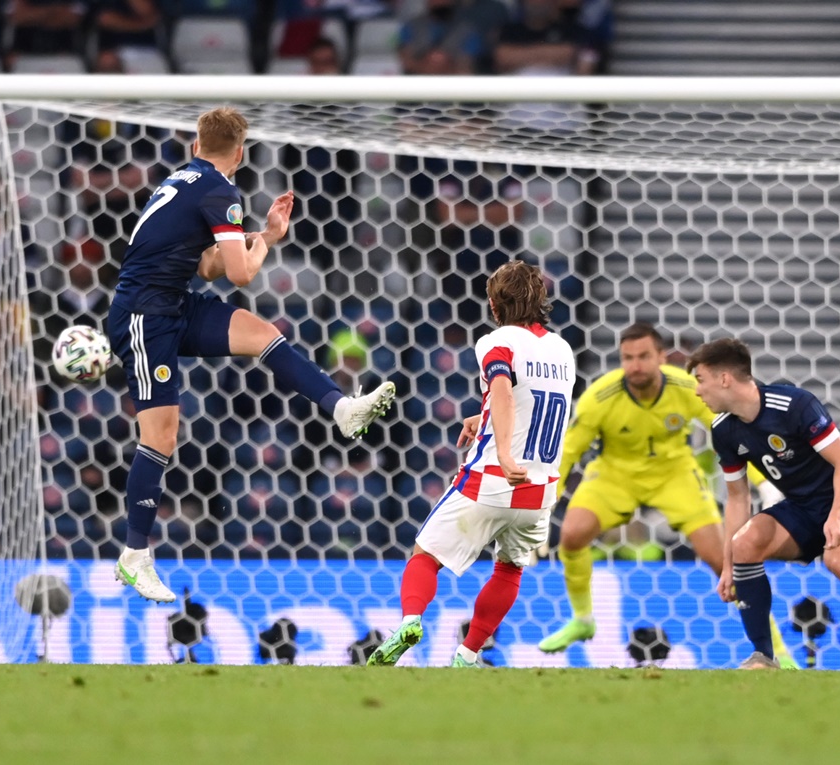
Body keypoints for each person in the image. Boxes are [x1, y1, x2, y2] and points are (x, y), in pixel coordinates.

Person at [105, 107, 396, 602]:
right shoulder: (220, 190)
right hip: (144, 318)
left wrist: (262, 237)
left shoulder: (185, 180)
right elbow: (241, 275)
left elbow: (211, 266)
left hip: (174, 304)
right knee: (162, 434)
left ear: (197, 145)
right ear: (241, 152)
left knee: (262, 333)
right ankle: (135, 555)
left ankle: (342, 410)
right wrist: (269, 241)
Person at [536, 323, 797, 669]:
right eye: (627, 358)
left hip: (674, 474)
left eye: (644, 356)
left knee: (726, 560)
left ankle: (775, 651)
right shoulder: (600, 397)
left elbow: (732, 433)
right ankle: (583, 618)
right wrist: (541, 506)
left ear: (661, 357)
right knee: (571, 535)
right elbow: (568, 453)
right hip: (615, 474)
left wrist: (764, 481)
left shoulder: (686, 387)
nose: (635, 365)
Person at [367, 260, 575, 668]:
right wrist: (484, 417)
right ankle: (466, 655)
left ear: (496, 306)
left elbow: (501, 387)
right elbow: (537, 401)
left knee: (424, 555)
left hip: (493, 479)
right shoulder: (562, 349)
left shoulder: (496, 342)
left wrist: (505, 453)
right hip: (540, 491)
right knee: (510, 570)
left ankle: (411, 621)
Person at [686, 338, 840, 671]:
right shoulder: (725, 431)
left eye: (700, 380)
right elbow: (738, 498)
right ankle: (763, 657)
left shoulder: (794, 405)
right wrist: (728, 565)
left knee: (839, 559)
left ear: (724, 378)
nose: (697, 391)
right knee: (744, 545)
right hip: (800, 506)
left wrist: (835, 517)